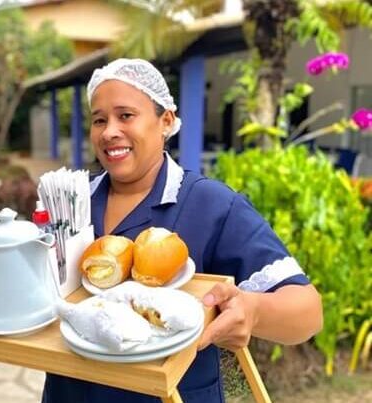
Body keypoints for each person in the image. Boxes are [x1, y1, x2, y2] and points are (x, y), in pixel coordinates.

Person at [42, 58, 323, 403]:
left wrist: (253, 311)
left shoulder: (211, 205)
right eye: (99, 120)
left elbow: (308, 312)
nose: (109, 131)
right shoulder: (70, 202)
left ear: (166, 121)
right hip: (69, 391)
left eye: (125, 115)